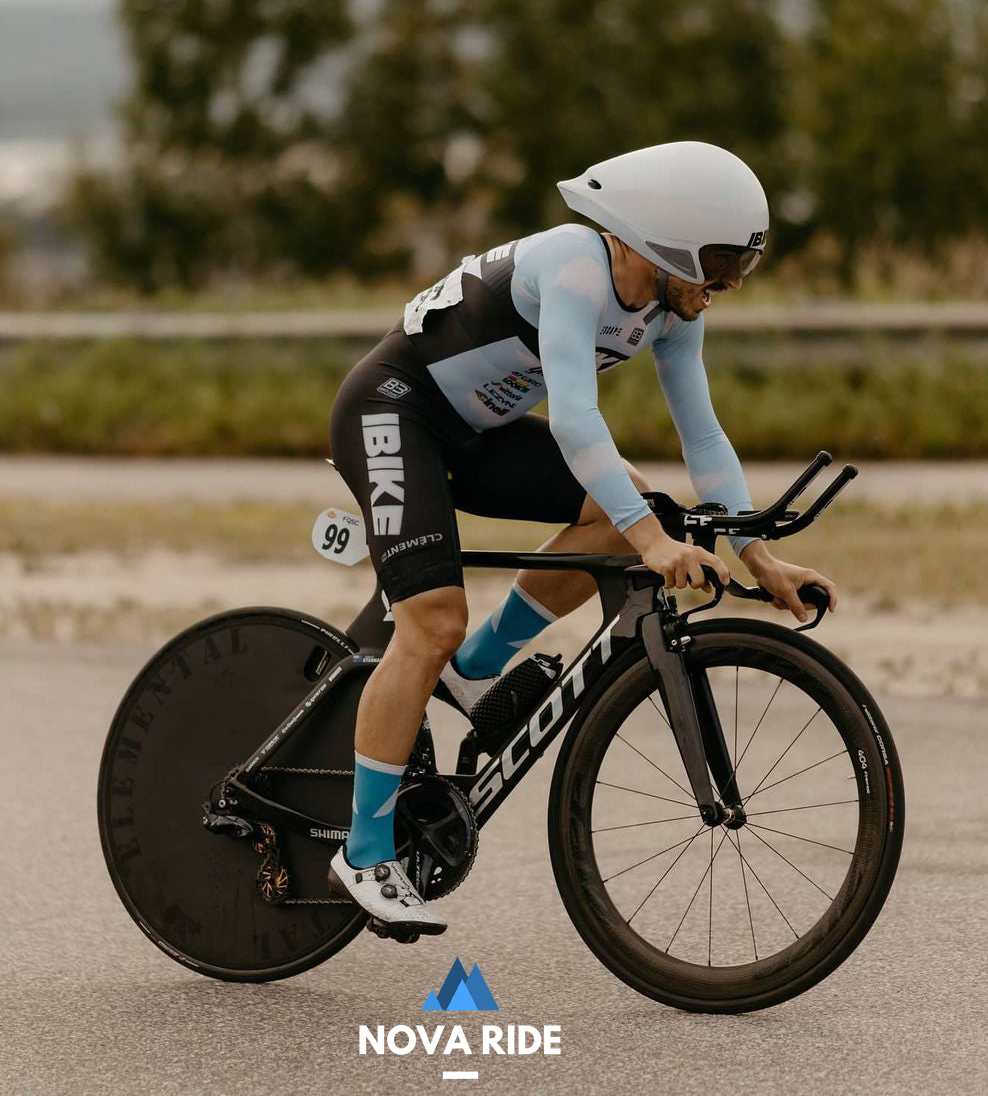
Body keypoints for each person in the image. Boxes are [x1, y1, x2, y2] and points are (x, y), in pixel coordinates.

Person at [325, 140, 838, 935]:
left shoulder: (671, 308)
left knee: (631, 511)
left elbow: (702, 437)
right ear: (665, 240)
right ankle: (363, 854)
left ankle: (473, 671)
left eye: (744, 265)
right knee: (432, 621)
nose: (731, 283)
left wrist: (760, 559)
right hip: (394, 412)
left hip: (474, 432)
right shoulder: (574, 265)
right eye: (722, 262)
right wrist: (653, 543)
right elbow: (573, 419)